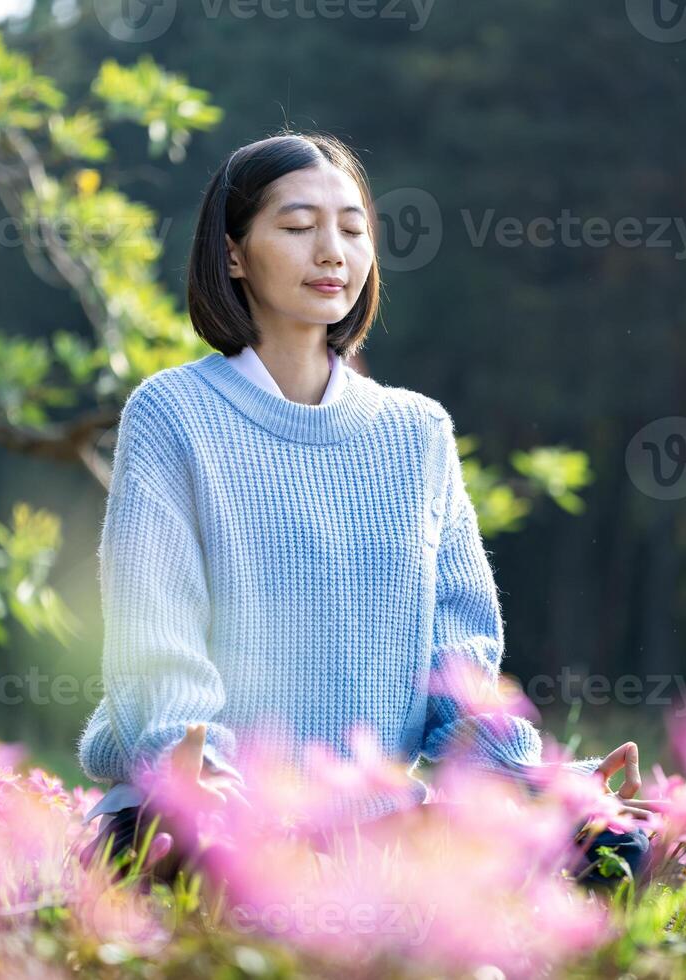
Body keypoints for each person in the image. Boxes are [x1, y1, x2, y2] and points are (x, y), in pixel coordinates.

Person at [75, 130, 655, 889]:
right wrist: (201, 772)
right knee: (202, 863)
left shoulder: (417, 432)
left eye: (352, 229)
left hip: (370, 822)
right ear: (233, 255)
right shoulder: (172, 414)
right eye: (296, 226)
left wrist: (541, 781)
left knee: (613, 851)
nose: (332, 252)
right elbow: (158, 640)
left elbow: (460, 666)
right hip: (210, 809)